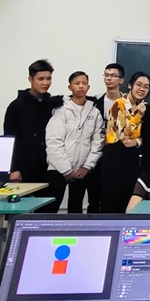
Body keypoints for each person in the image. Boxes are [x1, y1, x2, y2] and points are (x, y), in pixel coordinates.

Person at [45, 71, 104, 213]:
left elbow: (98, 142)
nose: (81, 86)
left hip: (82, 170)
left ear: (88, 87)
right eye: (77, 83)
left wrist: (87, 167)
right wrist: (67, 170)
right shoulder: (61, 111)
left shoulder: (94, 112)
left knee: (76, 210)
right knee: (50, 209)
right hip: (58, 169)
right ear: (70, 87)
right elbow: (53, 142)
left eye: (84, 83)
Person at [4, 59, 63, 185]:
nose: (45, 83)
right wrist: (13, 169)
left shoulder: (52, 104)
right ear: (30, 79)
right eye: (41, 79)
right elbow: (10, 139)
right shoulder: (16, 106)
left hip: (49, 167)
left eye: (49, 78)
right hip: (24, 169)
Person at [100, 71, 150, 213]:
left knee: (128, 200)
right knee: (111, 201)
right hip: (114, 156)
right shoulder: (119, 104)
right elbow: (122, 134)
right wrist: (138, 116)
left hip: (132, 157)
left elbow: (143, 137)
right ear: (130, 85)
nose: (142, 89)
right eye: (139, 85)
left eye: (146, 87)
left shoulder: (141, 107)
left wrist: (137, 142)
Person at [91, 63, 126, 213]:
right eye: (106, 75)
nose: (108, 78)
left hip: (120, 156)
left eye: (113, 75)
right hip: (97, 155)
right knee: (94, 199)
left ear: (121, 80)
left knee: (117, 198)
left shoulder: (128, 103)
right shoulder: (95, 102)